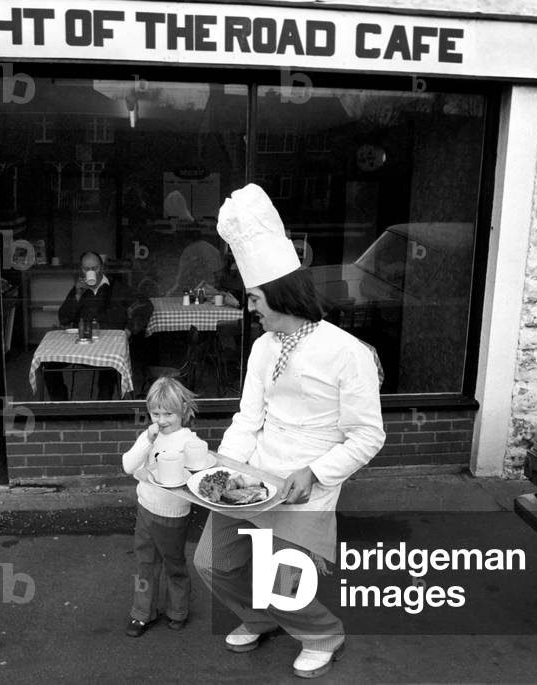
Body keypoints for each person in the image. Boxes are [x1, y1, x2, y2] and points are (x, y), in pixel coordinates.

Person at [193, 184, 385, 679]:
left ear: (279, 293)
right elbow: (247, 419)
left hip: (306, 486)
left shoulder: (348, 353)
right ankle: (262, 618)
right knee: (212, 563)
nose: (249, 307)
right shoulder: (262, 348)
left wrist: (317, 472)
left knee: (285, 583)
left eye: (254, 298)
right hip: (252, 479)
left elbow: (368, 436)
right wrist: (221, 469)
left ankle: (322, 632)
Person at [121, 377, 199, 637]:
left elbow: (194, 476)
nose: (162, 420)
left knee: (173, 562)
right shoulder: (149, 436)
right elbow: (129, 465)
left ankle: (178, 610)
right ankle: (142, 613)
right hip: (146, 507)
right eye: (156, 413)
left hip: (173, 513)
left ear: (184, 411)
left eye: (169, 413)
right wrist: (147, 439)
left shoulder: (189, 440)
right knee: (145, 562)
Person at [50, 251, 151, 399]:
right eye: (86, 269)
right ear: (81, 269)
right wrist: (77, 295)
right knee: (49, 364)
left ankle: (102, 410)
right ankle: (62, 407)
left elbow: (145, 305)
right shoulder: (79, 290)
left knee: (109, 367)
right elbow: (64, 318)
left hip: (108, 345)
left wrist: (129, 330)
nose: (91, 272)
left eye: (94, 268)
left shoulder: (117, 288)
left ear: (102, 268)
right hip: (83, 344)